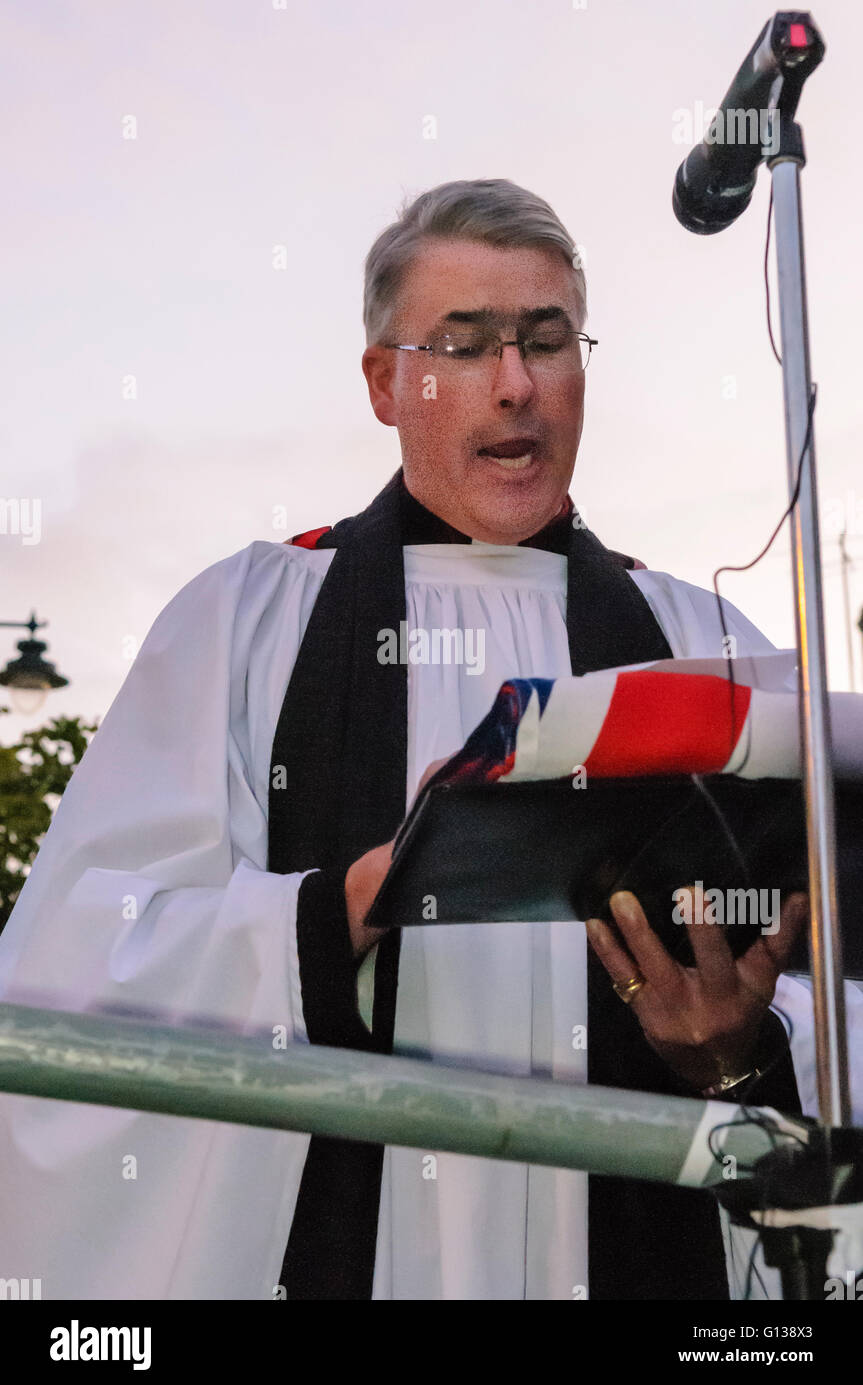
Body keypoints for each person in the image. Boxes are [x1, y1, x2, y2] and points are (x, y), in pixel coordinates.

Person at [0, 178, 858, 1302]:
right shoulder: (248, 619)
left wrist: (739, 1049)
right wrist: (343, 905)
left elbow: (828, 984)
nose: (515, 388)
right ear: (383, 381)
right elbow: (74, 965)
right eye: (462, 346)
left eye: (546, 342)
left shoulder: (706, 648)